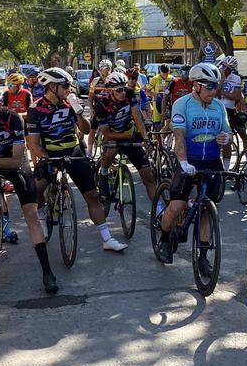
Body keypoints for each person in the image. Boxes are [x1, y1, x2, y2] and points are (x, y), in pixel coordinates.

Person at [0, 84, 59, 293]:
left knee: (31, 215)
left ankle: (47, 271)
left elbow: (15, 160)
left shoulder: (13, 118)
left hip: (14, 166)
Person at [25, 67, 128, 253]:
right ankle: (41, 217)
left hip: (73, 150)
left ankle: (107, 238)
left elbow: (86, 130)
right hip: (50, 153)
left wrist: (78, 111)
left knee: (93, 196)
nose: (69, 89)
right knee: (36, 189)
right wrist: (46, 159)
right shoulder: (35, 109)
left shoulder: (68, 104)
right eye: (65, 86)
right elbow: (33, 143)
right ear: (52, 87)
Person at [156, 62, 229, 267]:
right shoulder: (183, 104)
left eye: (216, 86)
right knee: (176, 206)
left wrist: (226, 138)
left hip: (212, 161)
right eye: (210, 86)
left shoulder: (219, 106)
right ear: (196, 85)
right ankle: (164, 239)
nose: (214, 91)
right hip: (188, 160)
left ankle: (203, 257)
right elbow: (179, 136)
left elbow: (227, 131)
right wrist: (183, 162)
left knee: (207, 210)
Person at [95, 70, 158, 204]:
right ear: (110, 90)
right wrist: (124, 135)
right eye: (119, 90)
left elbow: (137, 118)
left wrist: (146, 138)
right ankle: (103, 173)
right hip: (112, 135)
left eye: (124, 88)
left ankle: (159, 210)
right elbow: (107, 134)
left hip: (129, 134)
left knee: (148, 176)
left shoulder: (129, 94)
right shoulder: (101, 103)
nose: (123, 92)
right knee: (112, 148)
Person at [217, 56, 246, 170]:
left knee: (227, 140)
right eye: (224, 67)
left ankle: (226, 168)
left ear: (232, 70)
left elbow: (237, 96)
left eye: (228, 69)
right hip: (215, 109)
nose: (225, 70)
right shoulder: (216, 75)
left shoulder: (236, 78)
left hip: (229, 110)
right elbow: (214, 93)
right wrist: (222, 80)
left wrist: (223, 93)